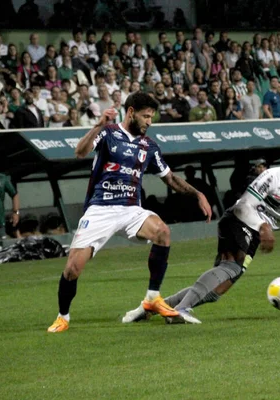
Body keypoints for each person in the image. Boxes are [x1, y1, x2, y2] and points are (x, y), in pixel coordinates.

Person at [123, 150, 280, 324]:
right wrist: (263, 226)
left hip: (254, 234)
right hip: (237, 220)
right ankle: (180, 310)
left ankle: (152, 308)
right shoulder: (272, 177)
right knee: (231, 268)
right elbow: (244, 205)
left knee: (217, 290)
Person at [47, 93, 212, 333]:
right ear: (131, 112)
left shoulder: (149, 146)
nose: (149, 122)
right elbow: (80, 151)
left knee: (162, 232)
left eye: (151, 117)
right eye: (146, 116)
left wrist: (198, 194)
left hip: (131, 208)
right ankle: (63, 316)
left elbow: (171, 179)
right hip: (100, 208)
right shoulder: (109, 133)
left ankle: (152, 298)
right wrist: (97, 126)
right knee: (72, 268)